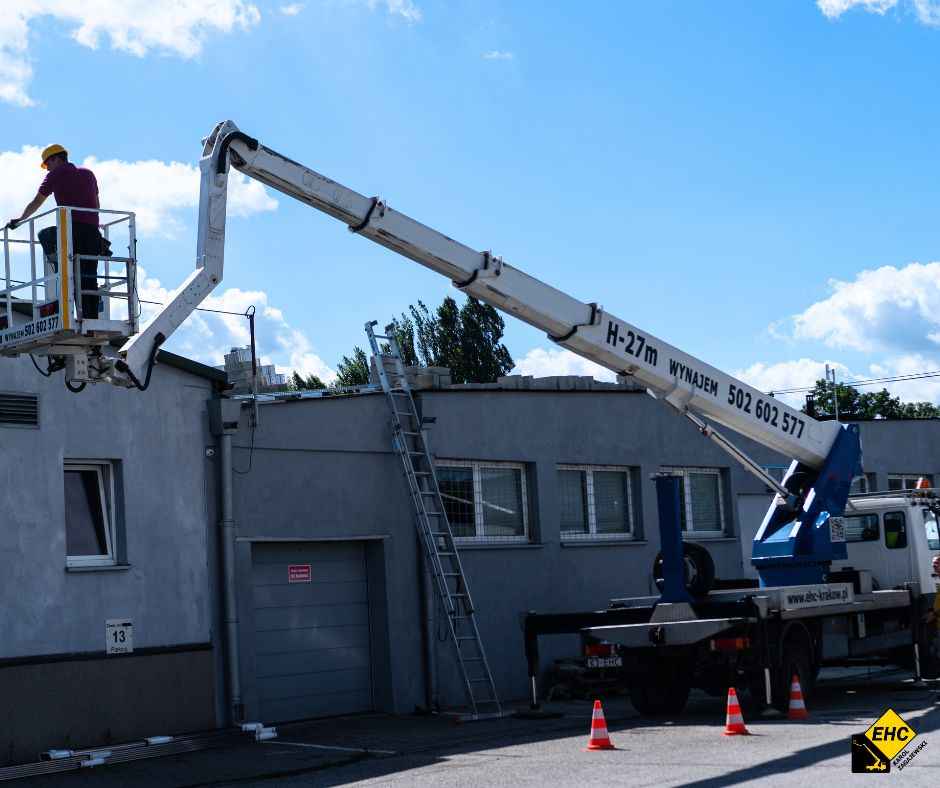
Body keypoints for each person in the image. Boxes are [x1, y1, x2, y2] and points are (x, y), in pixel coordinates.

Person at [5, 144, 107, 318]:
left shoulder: (55, 175)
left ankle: (60, 265)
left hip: (72, 230)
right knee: (89, 277)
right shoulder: (88, 174)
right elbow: (97, 204)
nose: (47, 169)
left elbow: (36, 202)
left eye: (47, 164)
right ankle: (91, 319)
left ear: (55, 159)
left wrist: (20, 220)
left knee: (47, 238)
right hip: (92, 233)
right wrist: (95, 225)